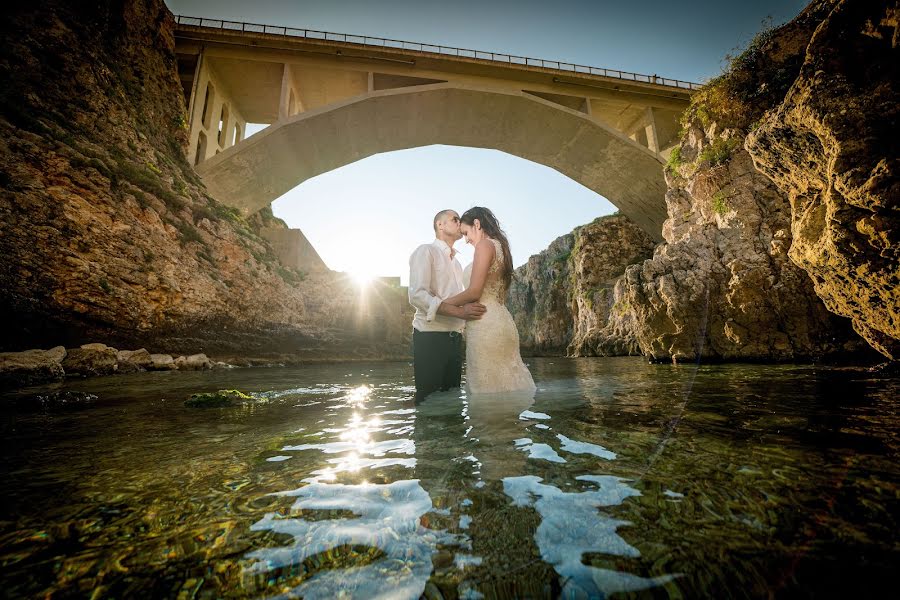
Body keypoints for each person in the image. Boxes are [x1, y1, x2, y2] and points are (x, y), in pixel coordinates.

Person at [441, 207, 536, 394]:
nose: (466, 240)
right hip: (501, 321)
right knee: (506, 385)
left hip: (485, 324)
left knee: (486, 390)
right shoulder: (501, 249)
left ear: (477, 224)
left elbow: (474, 292)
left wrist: (441, 304)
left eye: (466, 233)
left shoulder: (484, 246)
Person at [408, 209, 487, 403]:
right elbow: (417, 295)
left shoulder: (458, 264)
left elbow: (457, 297)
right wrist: (461, 312)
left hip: (455, 339)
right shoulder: (425, 251)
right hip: (430, 336)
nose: (460, 223)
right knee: (429, 401)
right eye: (455, 219)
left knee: (452, 403)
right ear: (440, 225)